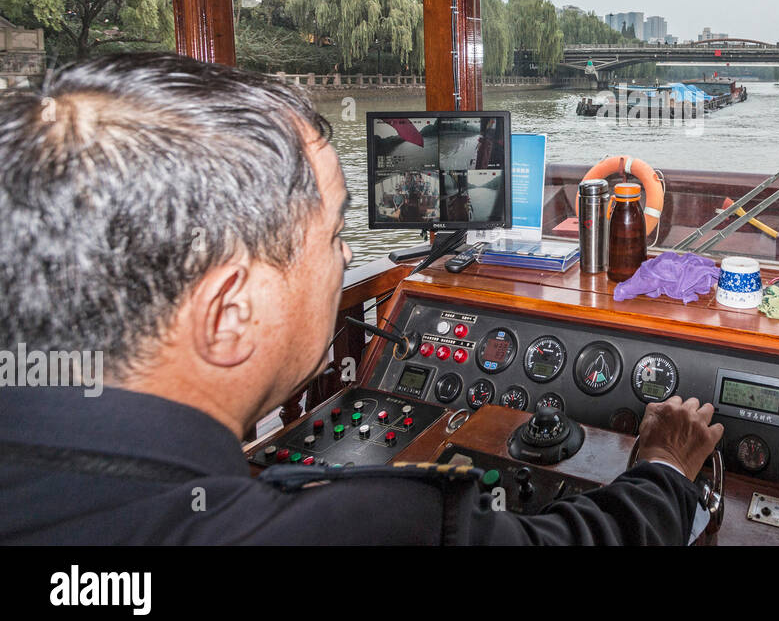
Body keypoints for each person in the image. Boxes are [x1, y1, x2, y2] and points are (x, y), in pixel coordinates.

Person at [0, 52, 722, 544]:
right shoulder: (372, 526)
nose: (348, 256)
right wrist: (661, 471)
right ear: (230, 315)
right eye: (334, 232)